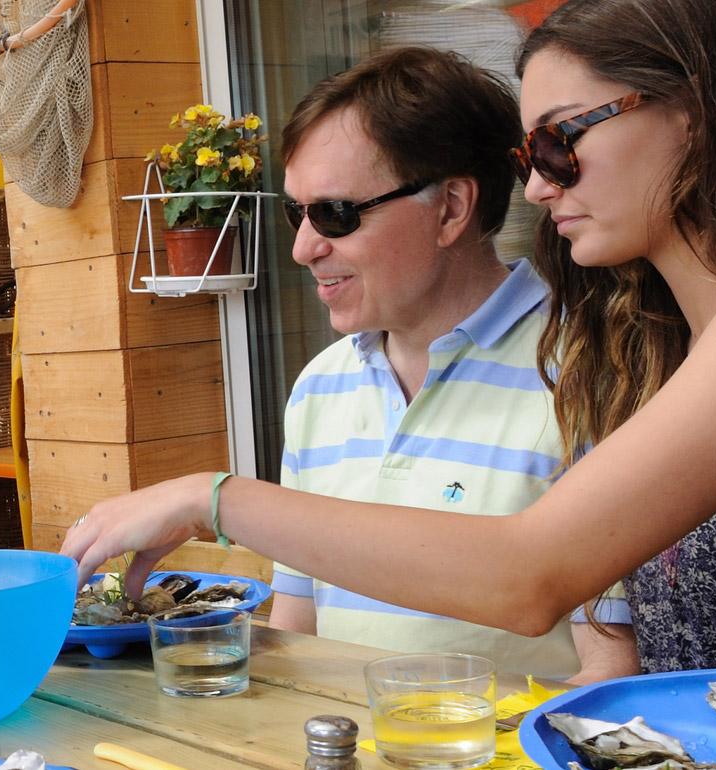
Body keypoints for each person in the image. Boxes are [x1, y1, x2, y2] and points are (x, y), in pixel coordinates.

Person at [61, 0, 716, 692]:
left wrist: (211, 499)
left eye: (562, 141)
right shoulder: (658, 337)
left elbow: (530, 577)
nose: (542, 186)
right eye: (528, 158)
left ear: (697, 106)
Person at [266, 46, 631, 682]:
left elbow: (611, 667)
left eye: (335, 213)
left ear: (452, 208)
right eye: (297, 212)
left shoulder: (587, 368)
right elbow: (296, 633)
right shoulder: (318, 386)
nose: (303, 247)